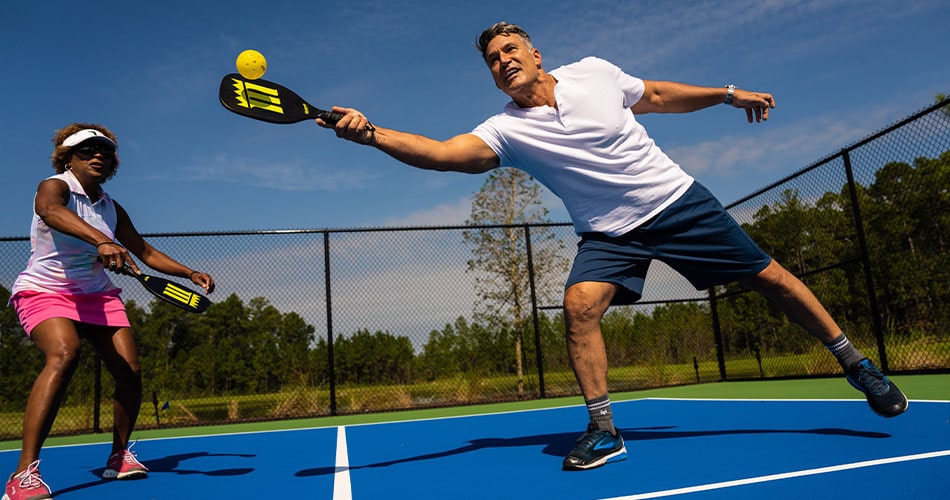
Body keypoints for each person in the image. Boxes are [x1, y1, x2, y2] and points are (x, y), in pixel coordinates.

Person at [317, 22, 909, 471]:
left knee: (772, 279)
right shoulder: (504, 129)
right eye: (493, 61)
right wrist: (371, 134)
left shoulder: (594, 72)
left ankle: (856, 365)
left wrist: (727, 94)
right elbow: (445, 155)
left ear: (535, 53)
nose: (502, 63)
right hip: (608, 232)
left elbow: (655, 94)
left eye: (510, 51)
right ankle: (604, 429)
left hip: (677, 202)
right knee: (579, 306)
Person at [3, 123, 216, 499]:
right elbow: (49, 211)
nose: (98, 154)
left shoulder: (111, 207)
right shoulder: (55, 187)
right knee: (65, 353)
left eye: (104, 150)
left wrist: (189, 271)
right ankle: (23, 475)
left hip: (98, 295)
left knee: (130, 373)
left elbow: (145, 252)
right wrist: (102, 240)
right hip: (46, 291)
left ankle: (119, 456)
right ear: (68, 157)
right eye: (87, 149)